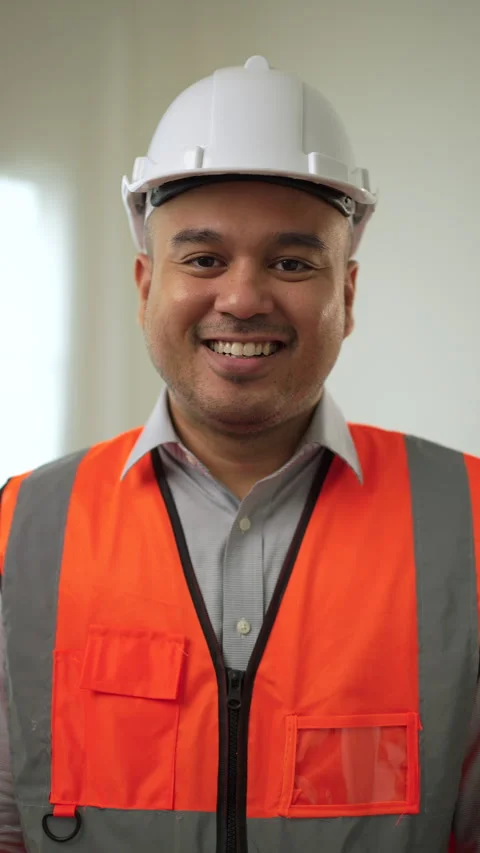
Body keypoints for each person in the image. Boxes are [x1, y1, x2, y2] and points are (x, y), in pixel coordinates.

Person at [0, 55, 478, 853]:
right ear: (145, 283)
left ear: (347, 297)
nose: (244, 297)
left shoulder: (467, 519)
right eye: (203, 259)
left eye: (292, 262)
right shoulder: (23, 526)